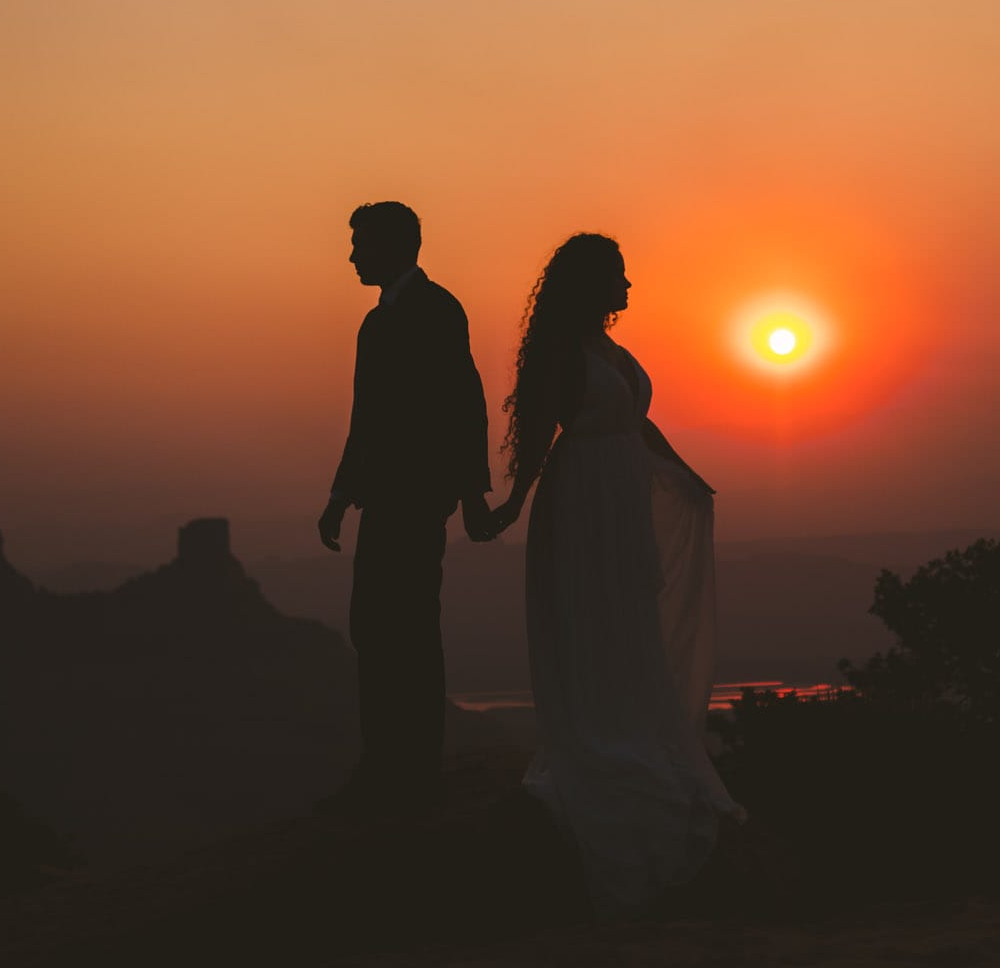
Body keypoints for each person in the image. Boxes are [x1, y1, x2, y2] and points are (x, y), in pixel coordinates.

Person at [481, 232, 742, 916]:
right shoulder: (561, 354)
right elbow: (538, 435)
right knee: (592, 617)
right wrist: (509, 504)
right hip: (583, 502)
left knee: (629, 615)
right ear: (591, 282)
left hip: (621, 497)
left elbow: (637, 422)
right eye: (618, 277)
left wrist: (684, 472)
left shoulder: (613, 354)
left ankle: (637, 727)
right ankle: (602, 738)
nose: (629, 287)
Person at [317, 201, 492, 810]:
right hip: (384, 496)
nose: (352, 255)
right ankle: (386, 759)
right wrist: (342, 493)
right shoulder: (375, 322)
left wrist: (470, 495)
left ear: (395, 245)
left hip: (417, 497)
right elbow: (364, 417)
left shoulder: (438, 310)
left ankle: (411, 765)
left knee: (409, 624)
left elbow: (465, 401)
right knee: (375, 622)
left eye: (360, 243)